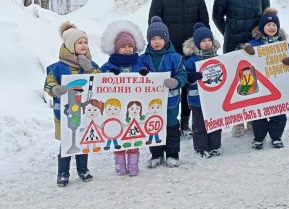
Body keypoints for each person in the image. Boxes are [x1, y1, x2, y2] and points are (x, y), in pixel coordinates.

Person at [149, 0, 209, 139]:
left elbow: (204, 21)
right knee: (172, 87)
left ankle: (185, 122)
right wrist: (164, 47)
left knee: (190, 87)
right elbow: (153, 24)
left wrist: (202, 44)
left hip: (192, 50)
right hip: (170, 51)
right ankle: (170, 122)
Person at [212, 0, 270, 136]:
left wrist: (262, 32)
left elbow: (267, 14)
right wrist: (228, 31)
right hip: (233, 45)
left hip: (255, 44)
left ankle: (253, 119)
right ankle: (237, 119)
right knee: (236, 82)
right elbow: (217, 16)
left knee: (254, 81)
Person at [45, 22, 99, 187]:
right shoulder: (57, 68)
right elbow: (48, 86)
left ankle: (83, 169)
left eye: (85, 42)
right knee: (67, 143)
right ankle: (63, 172)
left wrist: (89, 69)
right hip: (64, 113)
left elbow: (101, 82)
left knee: (82, 141)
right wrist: (55, 89)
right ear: (70, 46)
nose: (84, 45)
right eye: (80, 42)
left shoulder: (92, 65)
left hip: (84, 112)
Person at [243, 9, 289, 150]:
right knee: (259, 113)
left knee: (279, 113)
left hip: (278, 85)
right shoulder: (254, 44)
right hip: (260, 86)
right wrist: (245, 49)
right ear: (262, 27)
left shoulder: (284, 46)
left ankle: (276, 136)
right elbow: (242, 58)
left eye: (274, 25)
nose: (272, 27)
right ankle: (259, 137)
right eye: (268, 25)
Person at [100, 19, 147, 176]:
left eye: (130, 46)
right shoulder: (109, 65)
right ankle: (120, 165)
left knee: (133, 135)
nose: (127, 49)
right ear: (116, 48)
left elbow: (149, 81)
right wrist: (108, 75)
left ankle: (133, 164)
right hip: (116, 108)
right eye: (123, 46)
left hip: (134, 107)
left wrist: (145, 75)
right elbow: (99, 80)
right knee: (118, 135)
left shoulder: (139, 64)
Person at [140, 16, 187, 167]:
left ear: (166, 39)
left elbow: (182, 75)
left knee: (171, 126)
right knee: (153, 126)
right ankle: (156, 154)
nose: (157, 41)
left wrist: (176, 82)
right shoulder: (143, 58)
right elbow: (136, 75)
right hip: (151, 103)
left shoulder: (175, 57)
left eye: (160, 38)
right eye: (153, 38)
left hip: (171, 102)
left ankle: (172, 154)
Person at [182, 22, 222, 158]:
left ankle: (215, 146)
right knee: (200, 125)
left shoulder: (217, 58)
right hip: (197, 100)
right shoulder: (192, 60)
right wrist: (191, 77)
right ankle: (201, 148)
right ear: (197, 43)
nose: (207, 43)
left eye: (209, 40)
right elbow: (185, 76)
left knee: (215, 122)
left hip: (215, 98)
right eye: (203, 41)